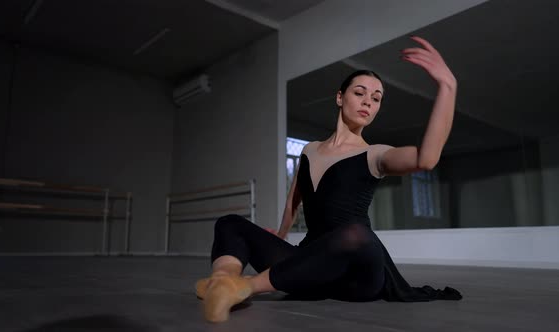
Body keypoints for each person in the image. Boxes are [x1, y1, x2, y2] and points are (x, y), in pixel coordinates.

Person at [196, 36, 462, 323]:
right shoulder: (309, 150)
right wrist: (281, 237)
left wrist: (448, 87)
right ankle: (221, 282)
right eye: (360, 93)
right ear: (340, 97)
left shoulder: (375, 154)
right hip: (310, 264)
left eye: (376, 99)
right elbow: (293, 204)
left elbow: (426, 159)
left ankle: (246, 287)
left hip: (357, 273)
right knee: (230, 223)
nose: (368, 103)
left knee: (357, 234)